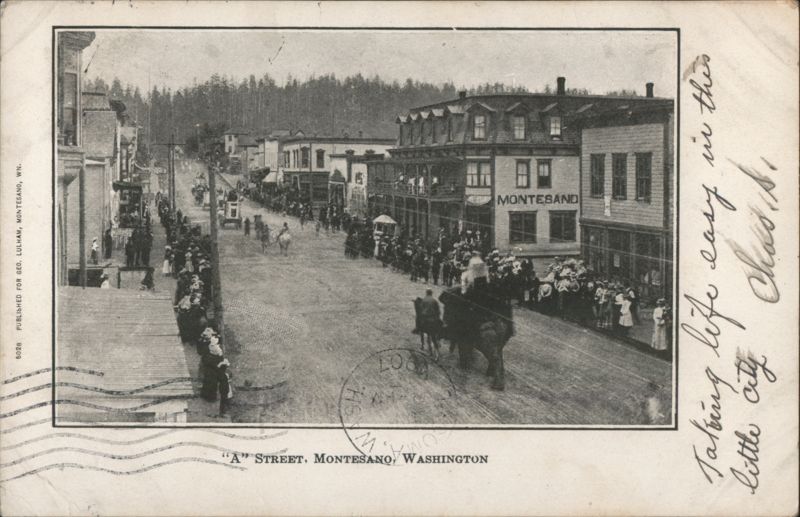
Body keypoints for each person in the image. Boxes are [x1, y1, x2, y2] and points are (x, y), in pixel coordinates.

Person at [416, 288, 442, 361]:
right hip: (434, 321)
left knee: (424, 332)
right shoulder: (434, 300)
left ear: (426, 293)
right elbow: (438, 312)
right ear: (431, 293)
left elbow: (420, 311)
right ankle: (436, 354)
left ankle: (428, 349)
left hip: (426, 321)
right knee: (433, 337)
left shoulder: (424, 300)